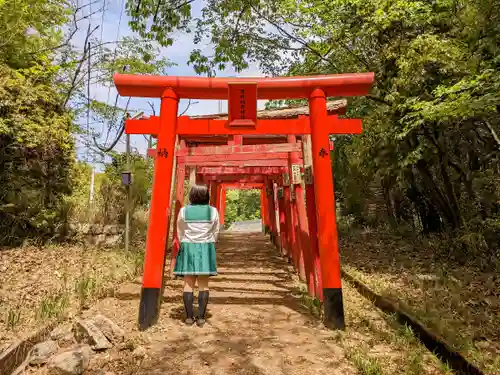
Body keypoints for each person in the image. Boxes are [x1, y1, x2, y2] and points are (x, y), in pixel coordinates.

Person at [173, 184, 220, 327]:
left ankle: (188, 317)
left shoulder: (184, 211)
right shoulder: (212, 211)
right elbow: (215, 231)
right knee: (203, 285)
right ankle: (201, 317)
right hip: (206, 247)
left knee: (188, 283)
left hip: (188, 246)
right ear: (207, 196)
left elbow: (180, 230)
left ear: (192, 195)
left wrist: (185, 242)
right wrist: (210, 241)